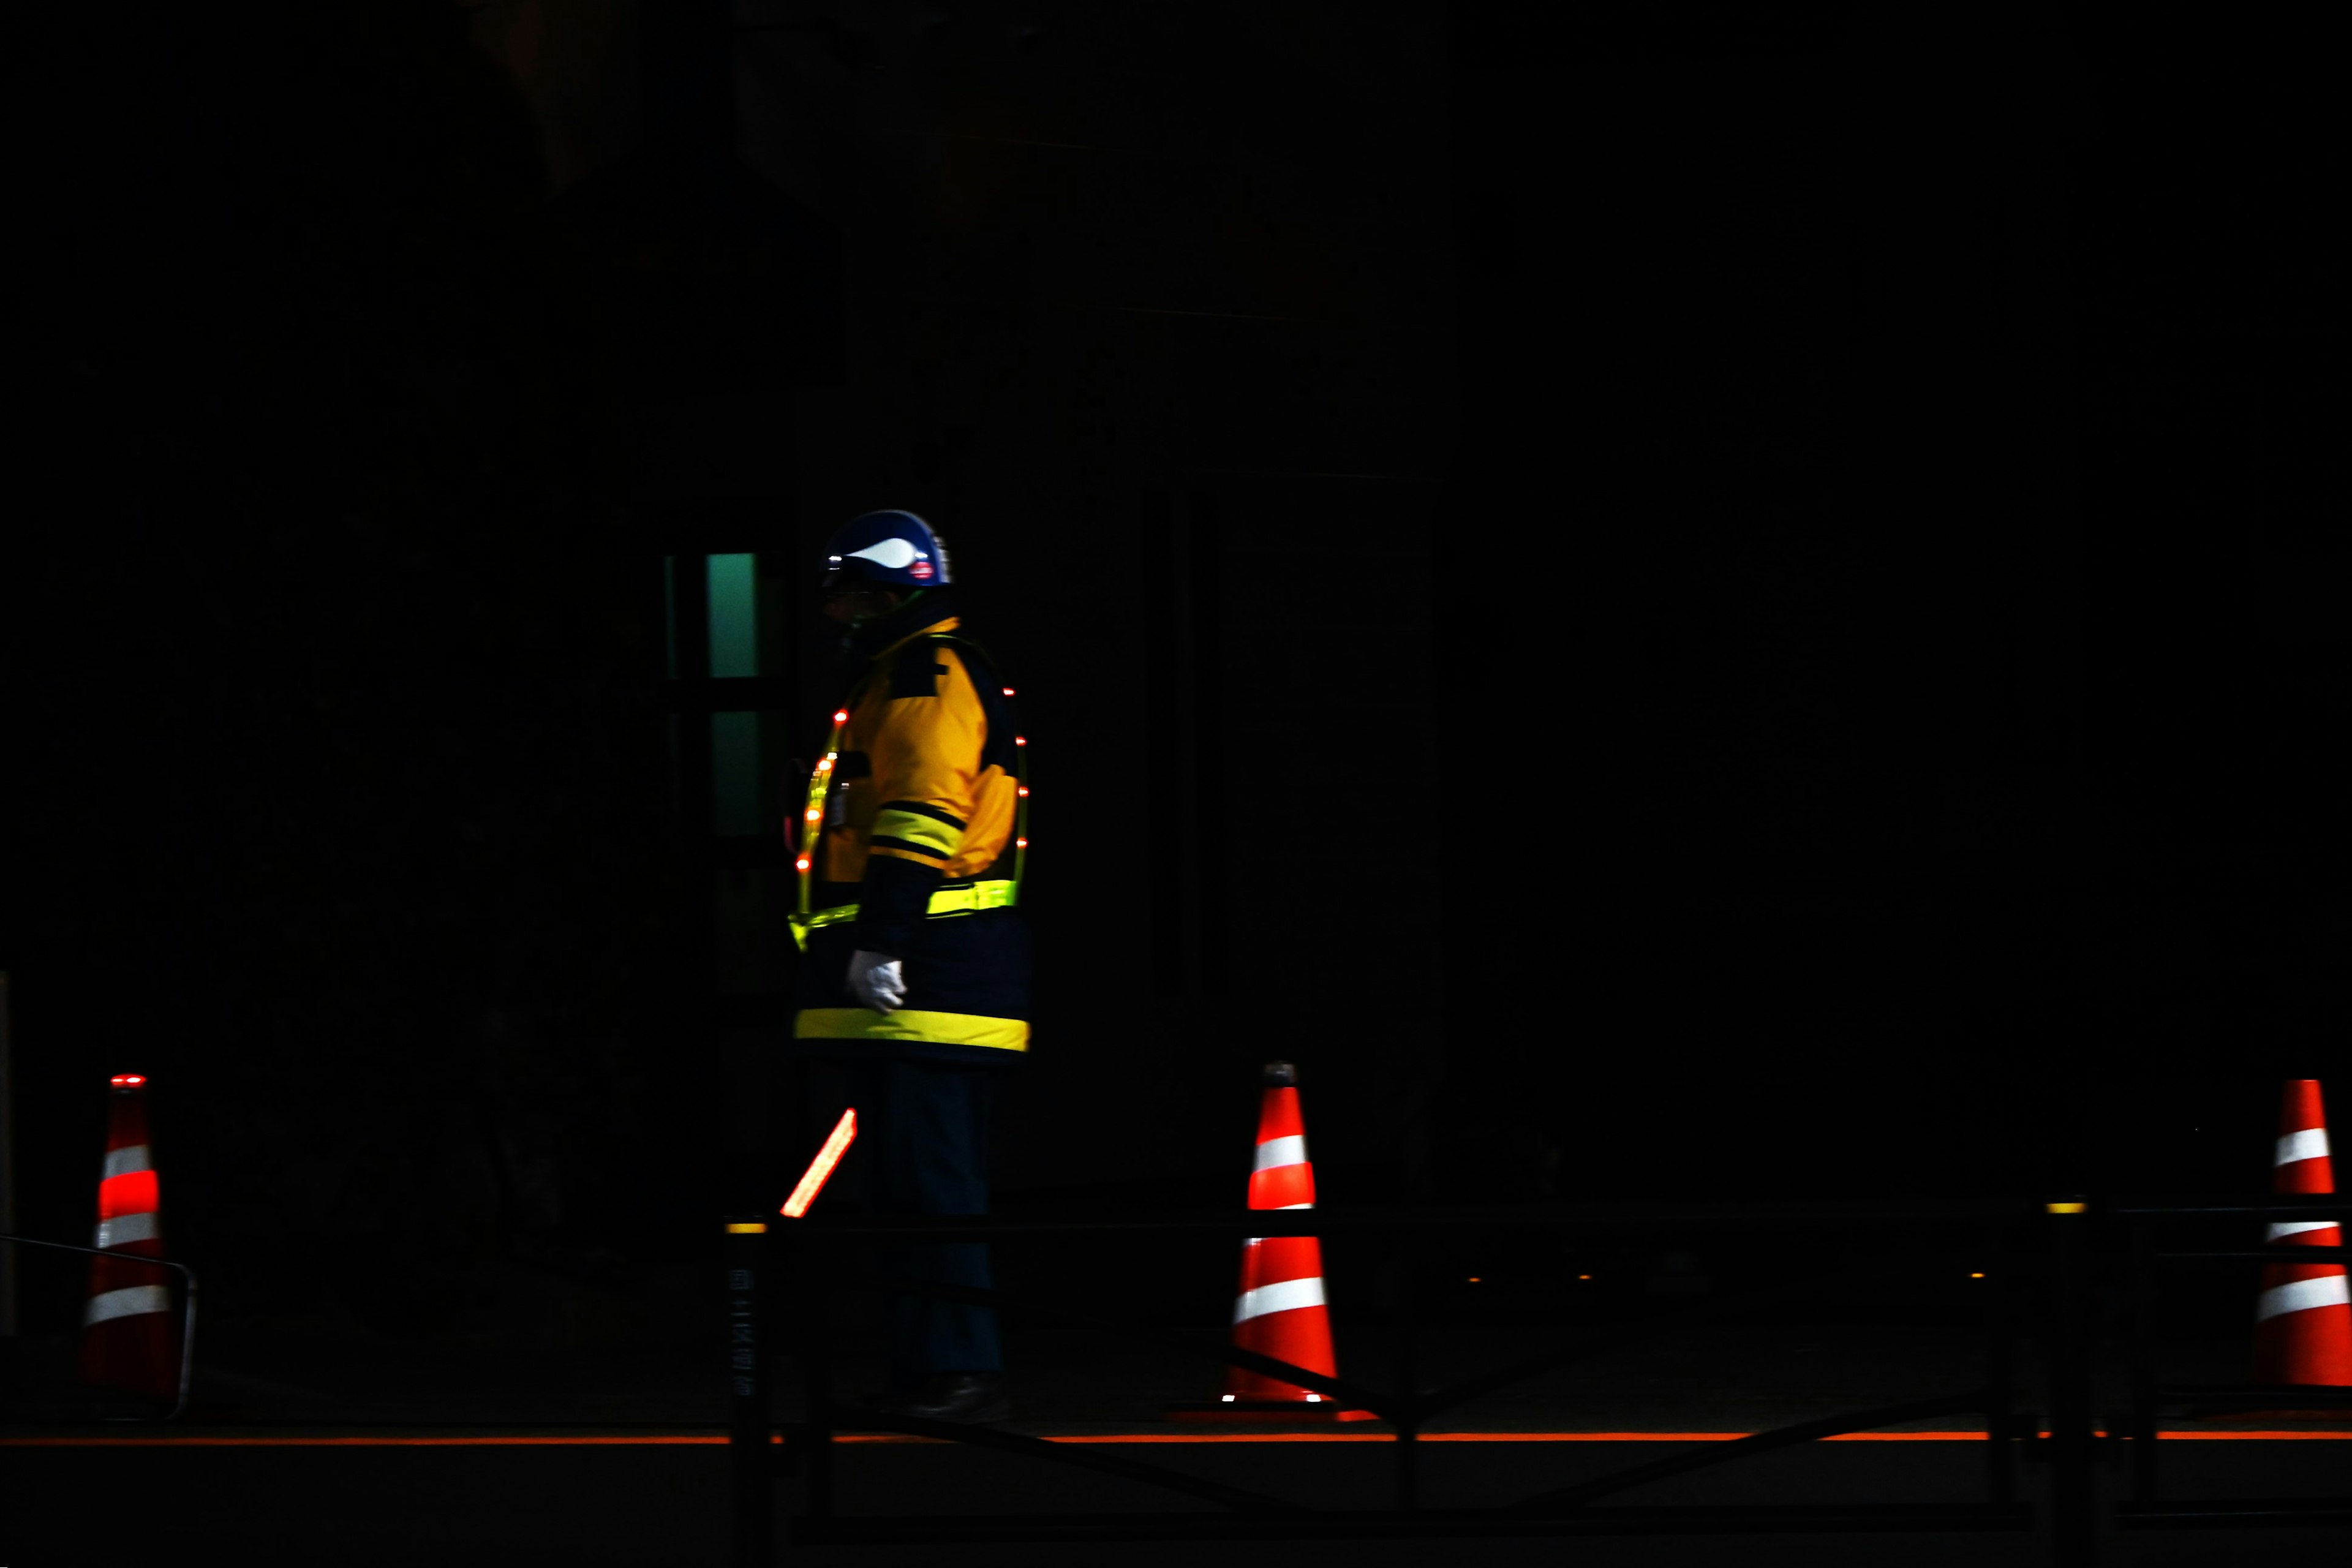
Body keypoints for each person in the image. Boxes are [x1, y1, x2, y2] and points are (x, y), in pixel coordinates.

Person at [786, 508, 1030, 1424]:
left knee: (931, 1184)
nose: (836, 608)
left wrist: (884, 938)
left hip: (929, 977)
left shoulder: (924, 678)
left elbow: (923, 814)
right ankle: (931, 1370)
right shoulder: (904, 674)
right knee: (909, 1186)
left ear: (887, 589)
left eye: (847, 590)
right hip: (922, 978)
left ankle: (959, 1371)